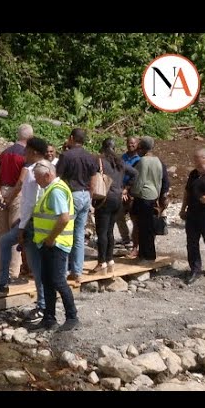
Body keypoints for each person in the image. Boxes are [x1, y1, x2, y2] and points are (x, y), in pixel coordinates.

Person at [0, 138, 48, 322]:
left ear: (34, 152)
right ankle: (3, 282)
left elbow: (33, 201)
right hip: (26, 222)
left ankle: (42, 306)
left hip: (33, 225)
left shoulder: (39, 171)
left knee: (37, 266)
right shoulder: (32, 168)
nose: (23, 153)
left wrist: (23, 226)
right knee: (5, 242)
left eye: (26, 151)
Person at [28, 160, 80, 332]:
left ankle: (72, 317)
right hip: (47, 243)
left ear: (48, 175)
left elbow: (64, 218)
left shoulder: (56, 191)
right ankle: (49, 318)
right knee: (47, 281)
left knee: (58, 281)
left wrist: (51, 238)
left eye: (37, 177)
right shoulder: (50, 189)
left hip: (56, 244)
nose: (36, 180)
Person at [89, 138, 137, 274]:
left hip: (104, 198)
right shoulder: (120, 162)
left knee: (102, 232)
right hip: (118, 199)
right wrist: (126, 188)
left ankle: (101, 262)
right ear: (114, 148)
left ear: (103, 148)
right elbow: (135, 173)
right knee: (110, 231)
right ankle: (110, 260)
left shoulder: (100, 161)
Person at [56, 128, 97, 284]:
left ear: (71, 138)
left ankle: (63, 270)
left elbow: (57, 177)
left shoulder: (66, 156)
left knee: (65, 233)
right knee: (79, 235)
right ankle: (77, 271)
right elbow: (93, 180)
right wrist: (90, 197)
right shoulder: (90, 157)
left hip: (70, 195)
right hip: (85, 195)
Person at [0, 124, 32, 282]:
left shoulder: (5, 152)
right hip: (16, 194)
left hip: (3, 191)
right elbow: (21, 181)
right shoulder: (26, 155)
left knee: (1, 234)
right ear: (29, 138)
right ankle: (12, 272)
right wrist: (12, 196)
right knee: (15, 233)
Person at [179, 148, 205, 285]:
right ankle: (195, 269)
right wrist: (183, 208)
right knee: (191, 242)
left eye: (198, 160)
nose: (196, 163)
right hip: (193, 213)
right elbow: (187, 192)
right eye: (195, 160)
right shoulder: (194, 174)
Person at [129, 137, 163, 262]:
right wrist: (158, 196)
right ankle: (149, 254)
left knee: (143, 227)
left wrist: (133, 193)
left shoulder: (143, 161)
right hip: (153, 195)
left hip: (143, 196)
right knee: (149, 227)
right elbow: (159, 180)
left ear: (142, 148)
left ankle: (145, 255)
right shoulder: (157, 161)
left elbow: (140, 180)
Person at [116, 136, 140, 247]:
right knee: (119, 215)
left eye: (133, 143)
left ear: (137, 144)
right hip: (121, 190)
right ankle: (125, 237)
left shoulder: (139, 160)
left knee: (134, 217)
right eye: (128, 143)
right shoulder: (122, 158)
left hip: (133, 192)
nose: (130, 145)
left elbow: (136, 176)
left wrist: (127, 189)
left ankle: (136, 241)